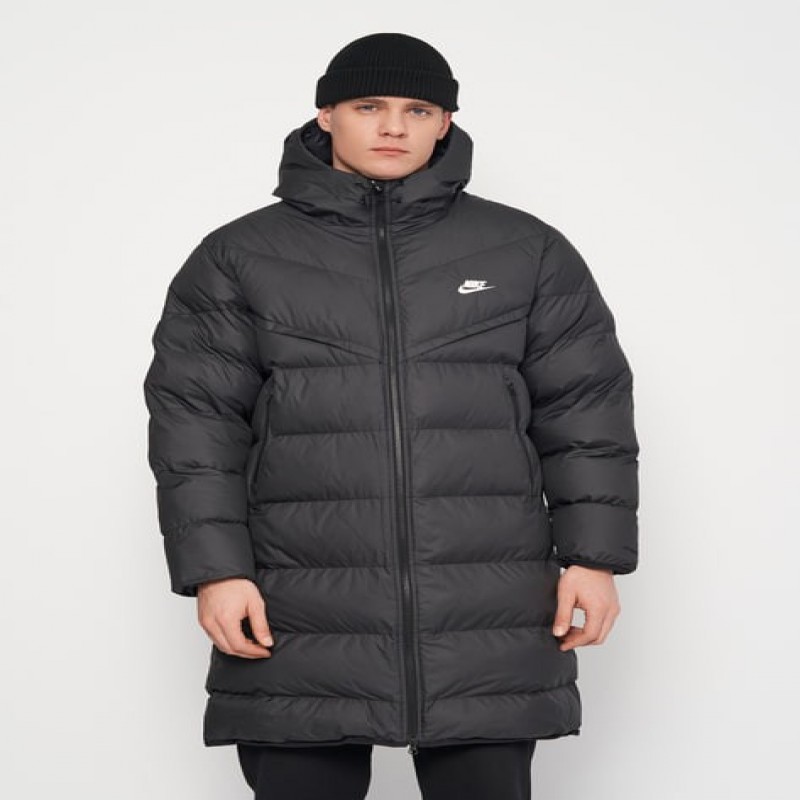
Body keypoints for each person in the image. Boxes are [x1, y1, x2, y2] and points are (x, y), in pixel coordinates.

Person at [143, 31, 639, 800]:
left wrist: (593, 559)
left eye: (418, 110)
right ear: (326, 115)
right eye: (369, 106)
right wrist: (218, 572)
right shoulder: (240, 257)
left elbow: (585, 411)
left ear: (446, 123)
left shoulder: (525, 251)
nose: (394, 127)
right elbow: (196, 427)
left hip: (485, 603)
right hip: (298, 602)